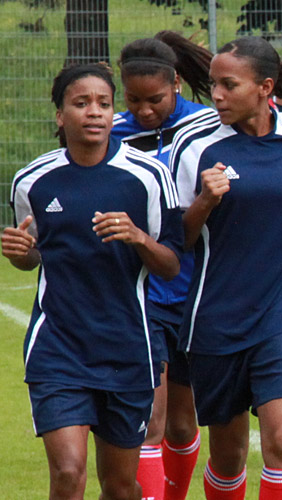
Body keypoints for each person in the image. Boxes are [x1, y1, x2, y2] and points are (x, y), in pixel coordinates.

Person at [1, 63, 182, 500]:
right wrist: (24, 256)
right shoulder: (33, 180)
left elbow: (172, 264)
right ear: (61, 116)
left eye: (103, 103)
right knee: (68, 472)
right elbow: (35, 257)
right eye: (81, 103)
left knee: (120, 487)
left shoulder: (149, 177)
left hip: (126, 347)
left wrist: (138, 237)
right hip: (59, 346)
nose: (94, 112)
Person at [170, 36, 282, 500]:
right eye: (213, 85)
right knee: (227, 455)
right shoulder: (194, 145)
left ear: (265, 87)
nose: (217, 95)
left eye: (229, 85)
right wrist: (205, 199)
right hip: (215, 315)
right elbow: (175, 241)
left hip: (281, 308)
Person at [110, 30, 216, 500]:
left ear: (176, 83)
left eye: (154, 99)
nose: (144, 111)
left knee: (181, 422)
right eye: (133, 100)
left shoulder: (210, 127)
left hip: (200, 290)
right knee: (150, 421)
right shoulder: (111, 134)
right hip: (141, 292)